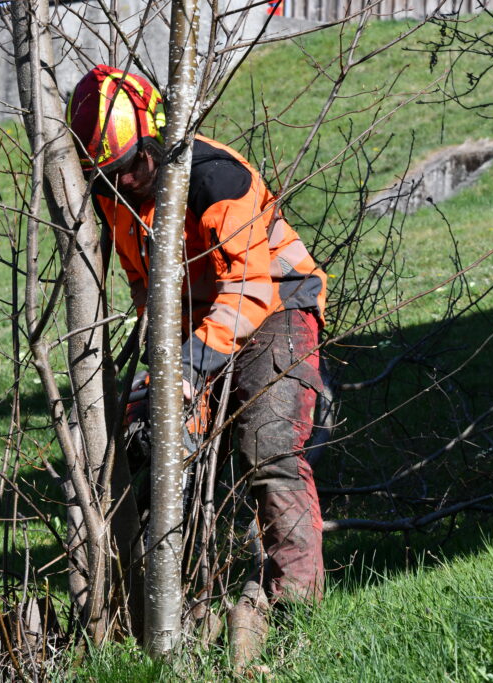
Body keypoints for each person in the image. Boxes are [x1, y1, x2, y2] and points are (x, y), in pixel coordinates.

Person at [65, 64, 326, 609]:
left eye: (128, 167)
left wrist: (187, 367)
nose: (121, 183)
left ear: (155, 139)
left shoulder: (215, 178)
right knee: (143, 442)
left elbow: (247, 289)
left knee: (267, 443)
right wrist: (165, 371)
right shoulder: (112, 191)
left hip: (275, 303)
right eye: (105, 173)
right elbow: (144, 286)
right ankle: (158, 602)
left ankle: (298, 603)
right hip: (194, 323)